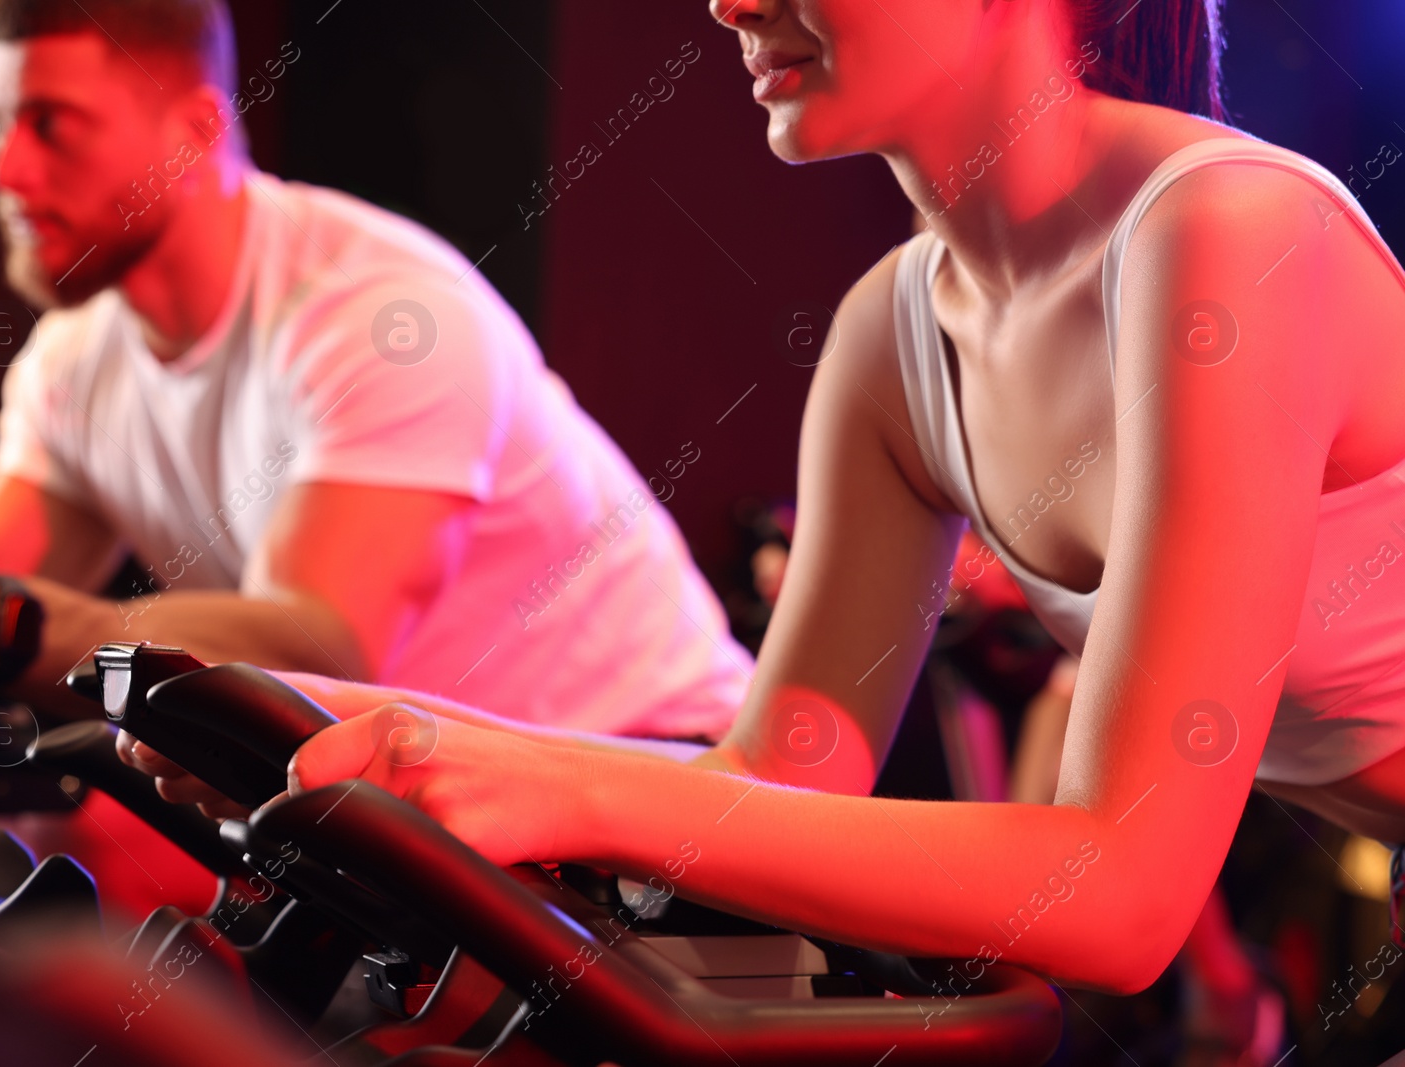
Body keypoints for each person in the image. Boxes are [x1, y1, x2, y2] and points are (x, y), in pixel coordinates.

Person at [136, 0, 1405, 1003]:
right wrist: (360, 723)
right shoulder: (893, 334)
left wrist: (561, 787)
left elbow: (1116, 892)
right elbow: (781, 772)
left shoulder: (1230, 238)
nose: (729, 3)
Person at [0, 0, 749, 742]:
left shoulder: (379, 312)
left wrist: (11, 627)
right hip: (447, 792)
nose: (1, 173)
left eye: (50, 125)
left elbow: (321, 651)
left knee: (115, 831)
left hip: (660, 772)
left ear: (193, 133)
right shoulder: (79, 356)